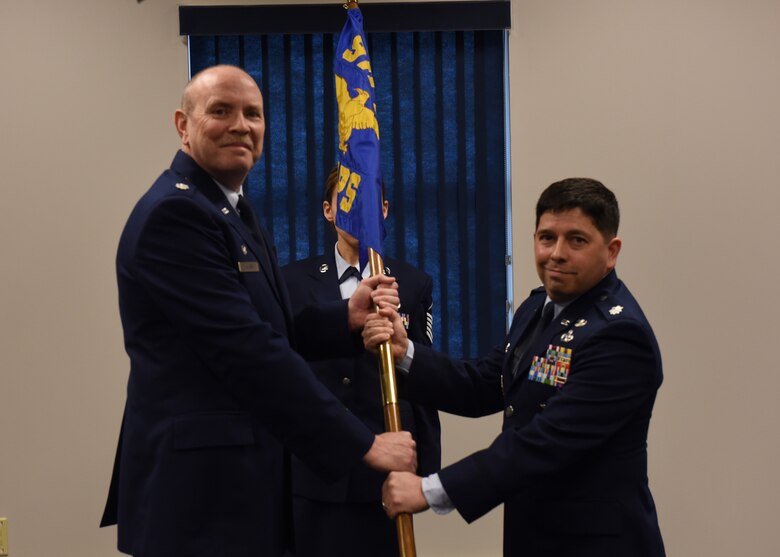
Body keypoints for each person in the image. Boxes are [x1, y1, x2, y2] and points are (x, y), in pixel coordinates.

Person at [100, 65, 417, 557]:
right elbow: (247, 351)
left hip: (237, 486)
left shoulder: (232, 209)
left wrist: (346, 319)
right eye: (220, 111)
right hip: (201, 498)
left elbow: (273, 325)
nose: (241, 125)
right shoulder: (177, 214)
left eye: (253, 114)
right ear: (183, 125)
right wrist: (364, 443)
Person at [365, 178, 665, 556]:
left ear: (611, 251)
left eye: (577, 240)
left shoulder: (619, 335)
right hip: (535, 534)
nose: (556, 253)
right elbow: (484, 384)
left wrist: (431, 490)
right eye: (546, 238)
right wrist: (404, 352)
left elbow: (545, 442)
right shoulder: (538, 308)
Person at [281, 166, 441, 556]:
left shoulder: (412, 282)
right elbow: (282, 371)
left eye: (367, 204)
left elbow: (422, 374)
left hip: (383, 471)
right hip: (314, 468)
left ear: (384, 210)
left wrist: (426, 465)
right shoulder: (291, 281)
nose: (356, 213)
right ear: (328, 211)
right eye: (346, 202)